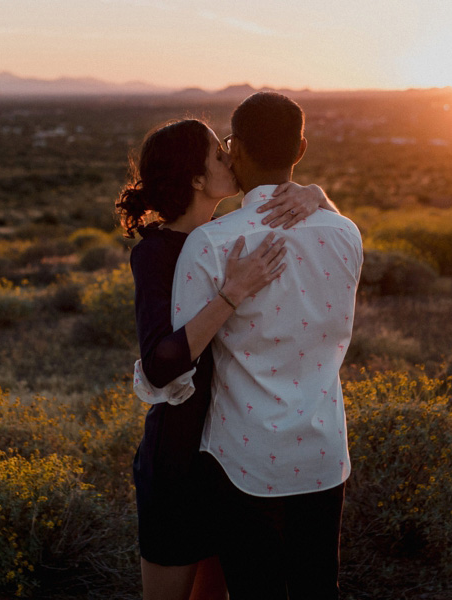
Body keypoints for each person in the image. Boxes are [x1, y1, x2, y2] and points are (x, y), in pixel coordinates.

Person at [115, 118, 334, 600]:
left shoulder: (226, 237)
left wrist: (315, 193)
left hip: (232, 458)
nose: (231, 158)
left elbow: (323, 238)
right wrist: (232, 293)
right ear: (195, 178)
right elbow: (159, 363)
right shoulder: (156, 254)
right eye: (219, 155)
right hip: (177, 457)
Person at [171, 93, 363, 599]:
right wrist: (318, 196)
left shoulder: (211, 244)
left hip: (244, 459)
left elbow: (177, 366)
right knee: (319, 588)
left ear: (233, 151)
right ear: (300, 148)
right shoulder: (345, 234)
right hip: (322, 453)